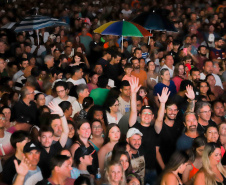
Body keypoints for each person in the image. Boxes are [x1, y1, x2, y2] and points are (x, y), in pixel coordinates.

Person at [38, 102, 69, 179]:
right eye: (44, 137)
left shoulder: (56, 147)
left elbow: (66, 132)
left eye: (60, 125)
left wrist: (61, 114)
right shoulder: (36, 150)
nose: (47, 140)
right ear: (39, 138)